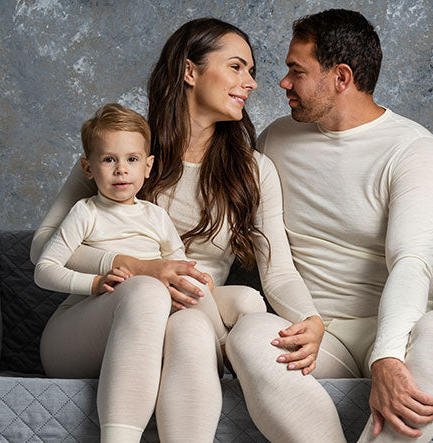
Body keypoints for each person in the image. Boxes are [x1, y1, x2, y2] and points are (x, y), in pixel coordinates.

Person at [30, 18, 314, 443]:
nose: (251, 82)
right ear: (190, 71)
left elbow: (279, 272)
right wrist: (136, 266)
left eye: (251, 71)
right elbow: (41, 249)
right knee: (146, 292)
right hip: (91, 327)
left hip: (194, 320)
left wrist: (310, 320)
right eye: (237, 67)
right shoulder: (123, 152)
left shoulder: (254, 171)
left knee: (196, 325)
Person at [225, 9, 433, 442]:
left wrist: (388, 355)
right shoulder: (275, 140)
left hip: (414, 324)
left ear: (341, 77)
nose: (283, 83)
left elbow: (410, 262)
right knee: (250, 335)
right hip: (322, 335)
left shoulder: (413, 148)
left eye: (296, 71)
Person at [34, 103, 236, 355]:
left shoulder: (156, 216)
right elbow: (44, 270)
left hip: (154, 311)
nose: (121, 169)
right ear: (88, 168)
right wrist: (95, 283)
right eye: (109, 159)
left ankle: (220, 349)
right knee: (156, 294)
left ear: (147, 167)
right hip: (98, 316)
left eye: (132, 159)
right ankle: (223, 350)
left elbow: (178, 264)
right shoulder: (85, 213)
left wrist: (199, 281)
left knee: (195, 289)